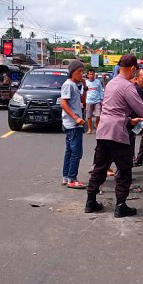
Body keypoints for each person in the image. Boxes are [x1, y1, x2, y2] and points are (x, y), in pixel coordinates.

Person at [86, 54, 143, 218]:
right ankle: (120, 206)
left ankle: (90, 202)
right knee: (124, 171)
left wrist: (128, 119)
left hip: (103, 131)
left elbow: (111, 109)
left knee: (99, 168)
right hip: (117, 133)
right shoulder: (127, 86)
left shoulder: (110, 84)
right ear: (132, 69)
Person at [61, 60, 87, 188]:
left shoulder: (75, 85)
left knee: (70, 151)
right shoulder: (68, 85)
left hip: (73, 123)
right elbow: (63, 103)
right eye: (79, 72)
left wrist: (85, 87)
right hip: (73, 124)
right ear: (72, 72)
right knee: (76, 152)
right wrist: (76, 118)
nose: (81, 74)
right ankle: (72, 178)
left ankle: (66, 177)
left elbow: (82, 102)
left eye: (82, 71)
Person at [85, 69, 104, 134]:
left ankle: (96, 124)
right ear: (87, 75)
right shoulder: (85, 83)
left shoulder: (98, 82)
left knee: (98, 115)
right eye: (90, 74)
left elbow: (100, 90)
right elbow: (83, 92)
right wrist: (82, 101)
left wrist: (101, 99)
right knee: (89, 116)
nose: (91, 75)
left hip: (97, 100)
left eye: (92, 74)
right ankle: (89, 128)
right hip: (89, 101)